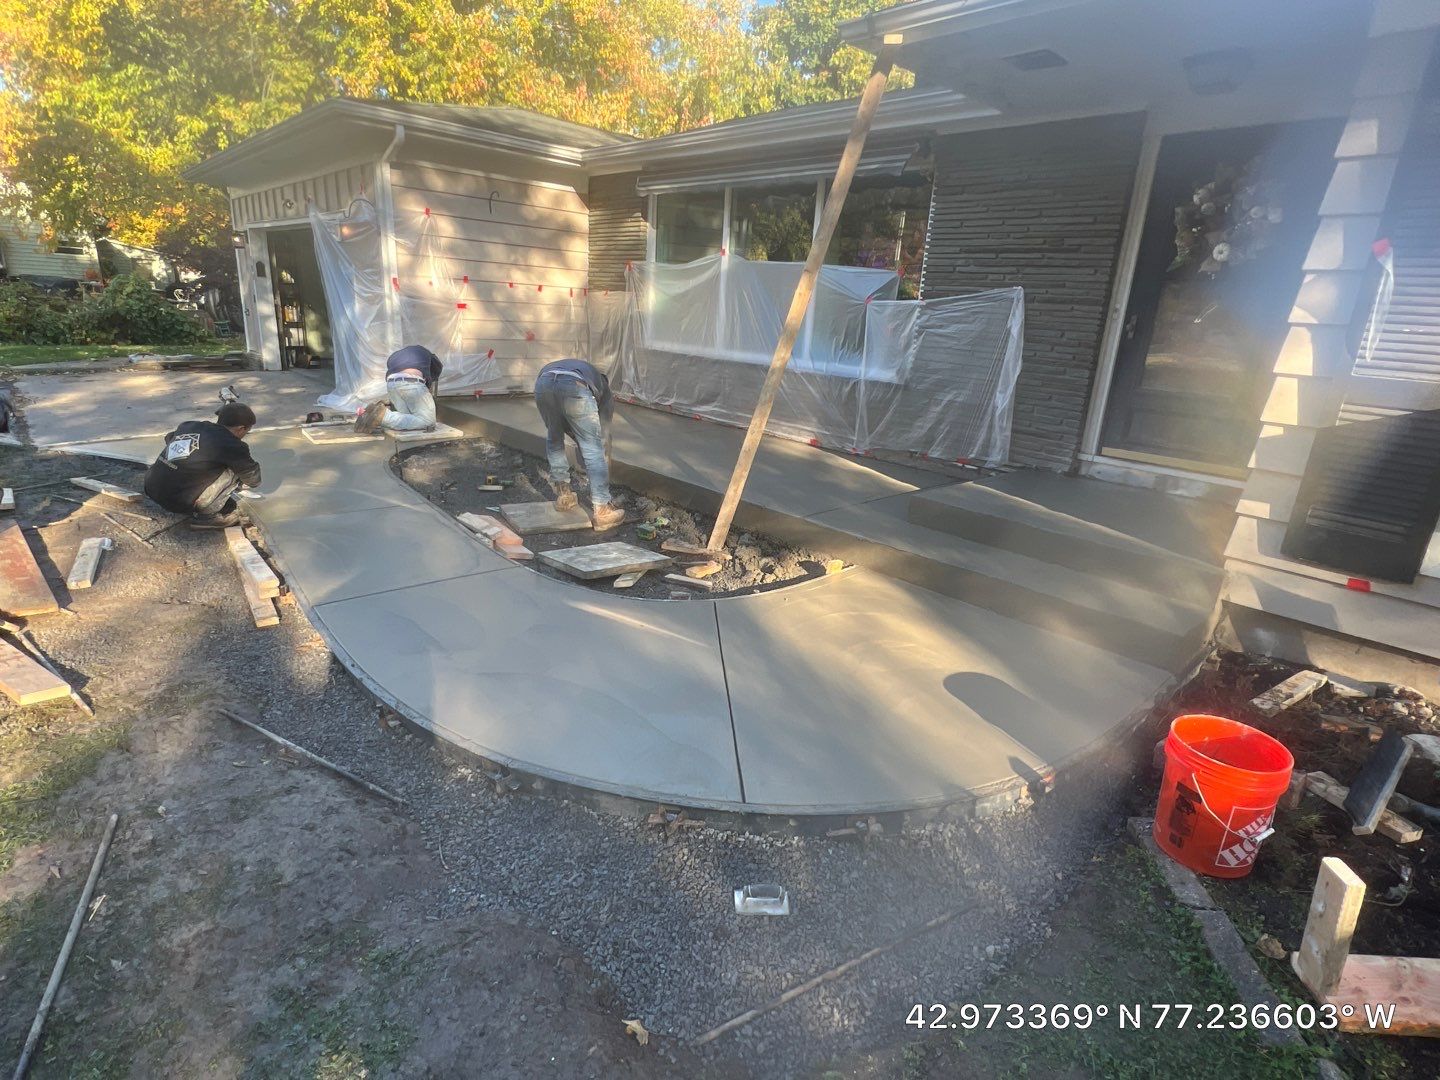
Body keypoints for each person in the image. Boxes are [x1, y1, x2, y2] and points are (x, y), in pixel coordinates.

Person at [533, 359, 623, 530]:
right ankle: (603, 510)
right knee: (593, 449)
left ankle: (564, 496)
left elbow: (567, 425)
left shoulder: (583, 370)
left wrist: (578, 434)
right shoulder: (605, 391)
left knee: (554, 438)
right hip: (574, 386)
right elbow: (602, 437)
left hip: (543, 384)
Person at [143, 401, 261, 528]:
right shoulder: (233, 445)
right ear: (241, 428)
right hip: (177, 503)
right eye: (247, 431)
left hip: (151, 488)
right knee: (235, 471)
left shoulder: (188, 426)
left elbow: (169, 438)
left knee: (196, 459)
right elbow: (253, 479)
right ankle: (207, 518)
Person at [355, 345, 444, 433]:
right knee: (428, 421)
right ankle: (381, 416)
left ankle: (369, 415)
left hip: (391, 384)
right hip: (411, 382)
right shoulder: (428, 356)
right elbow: (433, 374)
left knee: (409, 418)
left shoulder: (397, 356)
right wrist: (427, 388)